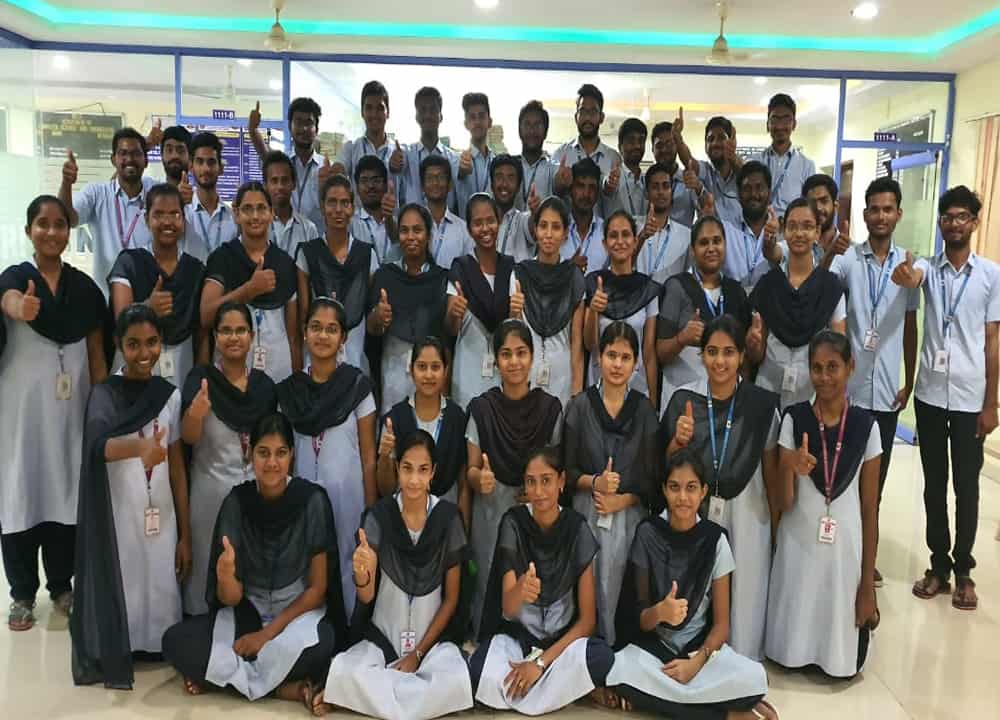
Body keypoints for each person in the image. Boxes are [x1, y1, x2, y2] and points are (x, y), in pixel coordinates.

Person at [161, 412, 347, 705]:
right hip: (249, 612)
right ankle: (283, 688)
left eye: (280, 453)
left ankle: (224, 679)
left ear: (292, 456)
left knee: (323, 645)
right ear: (249, 454)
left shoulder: (312, 500)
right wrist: (225, 576)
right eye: (263, 453)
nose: (272, 463)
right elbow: (231, 598)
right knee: (175, 641)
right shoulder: (237, 502)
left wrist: (265, 636)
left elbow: (317, 589)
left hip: (295, 614)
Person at [0, 195, 107, 631]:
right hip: (21, 418)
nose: (51, 231)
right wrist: (19, 307)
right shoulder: (15, 278)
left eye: (60, 224)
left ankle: (63, 586)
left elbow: (97, 352)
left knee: (66, 496)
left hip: (69, 414)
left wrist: (101, 407)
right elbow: (8, 299)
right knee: (21, 495)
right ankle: (22, 593)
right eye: (42, 224)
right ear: (29, 231)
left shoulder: (83, 290)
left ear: (69, 231)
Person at [604, 449, 776, 720]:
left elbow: (721, 626)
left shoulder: (715, 540)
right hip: (655, 648)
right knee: (618, 669)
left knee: (754, 677)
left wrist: (694, 664)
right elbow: (636, 619)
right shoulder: (648, 532)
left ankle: (671, 699)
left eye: (691, 488)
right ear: (664, 490)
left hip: (699, 650)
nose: (683, 497)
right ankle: (728, 714)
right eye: (674, 487)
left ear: (703, 491)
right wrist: (660, 612)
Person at [891, 185, 1000, 611]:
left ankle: (964, 571)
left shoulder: (990, 275)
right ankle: (938, 566)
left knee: (966, 487)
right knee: (934, 487)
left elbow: (993, 342)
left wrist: (991, 403)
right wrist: (907, 275)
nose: (953, 224)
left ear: (974, 222)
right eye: (947, 217)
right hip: (931, 396)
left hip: (972, 398)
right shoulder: (927, 268)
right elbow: (912, 278)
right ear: (940, 223)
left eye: (961, 217)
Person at [71, 304, 190, 688]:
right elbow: (98, 447)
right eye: (134, 344)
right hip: (121, 508)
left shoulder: (169, 395)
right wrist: (139, 449)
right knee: (128, 574)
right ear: (119, 345)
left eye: (152, 342)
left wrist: (185, 534)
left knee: (158, 576)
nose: (144, 353)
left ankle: (157, 644)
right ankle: (125, 642)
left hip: (162, 510)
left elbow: (177, 467)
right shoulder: (105, 394)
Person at [316, 431, 473, 719]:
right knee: (343, 670)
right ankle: (407, 699)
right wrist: (362, 574)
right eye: (407, 468)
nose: (414, 480)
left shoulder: (448, 518)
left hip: (430, 646)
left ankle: (376, 699)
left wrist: (419, 654)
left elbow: (451, 599)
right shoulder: (380, 516)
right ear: (397, 468)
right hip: (382, 638)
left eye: (422, 470)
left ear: (433, 472)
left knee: (456, 681)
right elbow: (366, 597)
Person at [662, 315, 781, 661]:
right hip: (696, 511)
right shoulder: (683, 399)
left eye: (729, 352)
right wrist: (677, 441)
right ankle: (696, 656)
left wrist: (776, 526)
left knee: (744, 592)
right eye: (712, 351)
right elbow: (664, 468)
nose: (720, 361)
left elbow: (771, 471)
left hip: (748, 510)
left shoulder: (761, 405)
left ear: (742, 356)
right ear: (701, 355)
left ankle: (742, 659)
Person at [766, 331, 881, 678]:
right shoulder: (794, 419)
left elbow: (869, 509)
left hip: (844, 551)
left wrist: (866, 585)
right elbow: (784, 502)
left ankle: (838, 656)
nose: (824, 376)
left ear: (850, 367)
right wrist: (790, 467)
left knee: (838, 650)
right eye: (817, 368)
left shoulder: (866, 426)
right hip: (797, 545)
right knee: (791, 643)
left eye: (833, 367)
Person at [469, 448, 614, 715]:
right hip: (520, 639)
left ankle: (529, 685)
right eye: (531, 482)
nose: (538, 491)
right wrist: (521, 589)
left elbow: (587, 621)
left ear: (561, 481)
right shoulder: (513, 522)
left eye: (546, 480)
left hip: (560, 645)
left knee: (602, 658)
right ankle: (562, 690)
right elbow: (508, 609)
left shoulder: (576, 527)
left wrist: (540, 663)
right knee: (477, 669)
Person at [832, 177, 918, 587]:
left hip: (885, 395)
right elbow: (822, 286)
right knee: (843, 478)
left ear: (898, 214)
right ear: (865, 214)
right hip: (848, 394)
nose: (881, 216)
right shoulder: (849, 259)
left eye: (888, 209)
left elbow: (911, 326)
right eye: (874, 209)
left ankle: (868, 558)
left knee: (874, 487)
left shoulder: (909, 265)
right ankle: (842, 553)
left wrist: (909, 379)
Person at [276, 297, 377, 610]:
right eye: (316, 327)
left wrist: (371, 512)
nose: (323, 335)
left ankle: (350, 626)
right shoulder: (290, 391)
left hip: (349, 496)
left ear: (343, 337)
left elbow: (368, 456)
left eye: (332, 329)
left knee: (350, 561)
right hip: (303, 496)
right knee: (307, 562)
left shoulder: (357, 386)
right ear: (304, 332)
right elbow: (285, 455)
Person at [563, 322, 660, 644]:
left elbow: (652, 478)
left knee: (623, 588)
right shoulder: (579, 406)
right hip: (586, 512)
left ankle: (621, 648)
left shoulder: (644, 410)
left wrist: (624, 499)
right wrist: (595, 482)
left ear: (636, 364)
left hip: (629, 517)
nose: (617, 364)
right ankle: (587, 648)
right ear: (599, 358)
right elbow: (567, 471)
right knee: (588, 589)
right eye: (611, 355)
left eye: (625, 357)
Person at [179, 301, 278, 615]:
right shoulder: (201, 379)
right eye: (225, 331)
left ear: (251, 336)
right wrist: (196, 414)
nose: (233, 337)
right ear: (215, 337)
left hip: (253, 493)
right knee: (205, 572)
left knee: (249, 571)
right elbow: (188, 438)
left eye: (240, 330)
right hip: (210, 491)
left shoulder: (264, 386)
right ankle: (201, 626)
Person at [466, 320, 563, 634]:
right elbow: (470, 470)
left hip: (535, 514)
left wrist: (539, 486)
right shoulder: (481, 409)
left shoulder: (550, 409)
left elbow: (556, 468)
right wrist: (479, 478)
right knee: (488, 580)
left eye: (521, 352)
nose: (514, 361)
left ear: (532, 357)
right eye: (506, 354)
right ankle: (484, 644)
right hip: (491, 508)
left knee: (529, 582)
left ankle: (528, 643)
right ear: (496, 361)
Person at [748, 198, 846, 409]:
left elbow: (839, 350)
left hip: (811, 397)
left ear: (817, 233)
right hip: (766, 393)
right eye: (792, 227)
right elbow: (756, 356)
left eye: (807, 226)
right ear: (784, 232)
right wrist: (752, 344)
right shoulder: (768, 285)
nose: (799, 233)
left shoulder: (831, 288)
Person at [200, 181, 300, 382]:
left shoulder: (285, 263)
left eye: (261, 208)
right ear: (236, 214)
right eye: (247, 209)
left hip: (278, 372)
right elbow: (206, 316)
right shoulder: (223, 258)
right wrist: (248, 291)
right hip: (231, 374)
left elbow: (293, 336)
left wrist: (297, 383)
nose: (255, 216)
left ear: (272, 213)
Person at [108, 183, 205, 384]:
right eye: (159, 214)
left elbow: (202, 332)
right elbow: (120, 319)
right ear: (146, 219)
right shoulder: (129, 262)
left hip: (183, 365)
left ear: (183, 219)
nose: (167, 222)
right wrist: (147, 309)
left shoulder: (195, 270)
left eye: (175, 214)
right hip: (136, 365)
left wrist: (201, 377)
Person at [657, 216, 751, 413]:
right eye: (703, 242)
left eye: (717, 241)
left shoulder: (736, 291)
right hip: (683, 394)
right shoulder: (676, 287)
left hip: (727, 398)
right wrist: (682, 339)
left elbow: (745, 359)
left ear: (725, 245)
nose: (711, 248)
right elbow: (660, 353)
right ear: (692, 250)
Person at [367, 203, 449, 415]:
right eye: (404, 230)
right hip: (393, 373)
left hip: (431, 371)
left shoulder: (441, 278)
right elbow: (371, 330)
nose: (410, 236)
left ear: (428, 235)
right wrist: (378, 317)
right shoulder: (385, 275)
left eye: (417, 230)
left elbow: (447, 335)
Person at [58, 127, 156, 297]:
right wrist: (66, 184)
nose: (129, 159)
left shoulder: (156, 193)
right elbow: (69, 219)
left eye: (136, 153)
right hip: (105, 300)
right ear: (113, 160)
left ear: (146, 161)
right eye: (123, 153)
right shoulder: (97, 193)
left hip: (149, 299)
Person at [296, 175, 379, 374]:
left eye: (345, 203)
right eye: (332, 202)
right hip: (317, 357)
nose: (338, 210)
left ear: (353, 208)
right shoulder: (307, 252)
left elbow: (371, 312)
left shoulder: (367, 254)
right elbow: (303, 317)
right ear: (322, 207)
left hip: (355, 356)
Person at [377, 338, 467, 514]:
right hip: (403, 516)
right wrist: (385, 457)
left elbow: (463, 484)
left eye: (435, 367)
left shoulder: (457, 418)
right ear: (411, 371)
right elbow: (385, 489)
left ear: (446, 371)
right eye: (422, 367)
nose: (428, 375)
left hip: (446, 516)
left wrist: (461, 526)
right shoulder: (394, 419)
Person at [447, 193, 519, 410]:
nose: (485, 228)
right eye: (478, 223)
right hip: (467, 373)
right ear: (469, 229)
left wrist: (516, 312)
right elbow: (450, 329)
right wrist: (454, 313)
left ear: (499, 222)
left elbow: (514, 327)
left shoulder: (510, 267)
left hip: (501, 373)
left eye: (490, 221)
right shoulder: (460, 268)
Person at [515, 197, 586, 407]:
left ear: (565, 234)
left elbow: (577, 344)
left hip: (562, 378)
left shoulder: (574, 277)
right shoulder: (520, 274)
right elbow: (514, 336)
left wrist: (576, 395)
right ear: (535, 230)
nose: (548, 234)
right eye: (543, 226)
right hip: (525, 375)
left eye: (556, 227)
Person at [584, 212, 661, 397]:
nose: (620, 241)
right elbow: (589, 344)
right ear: (605, 244)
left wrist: (652, 402)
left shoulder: (647, 289)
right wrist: (594, 310)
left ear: (635, 242)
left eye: (625, 235)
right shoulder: (594, 283)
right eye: (613, 235)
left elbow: (649, 353)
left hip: (637, 387)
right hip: (599, 386)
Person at [249, 96, 327, 234]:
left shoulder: (325, 168)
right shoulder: (283, 164)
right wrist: (252, 130)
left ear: (317, 129)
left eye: (309, 123)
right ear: (290, 127)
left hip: (317, 239)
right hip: (284, 237)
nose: (304, 128)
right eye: (298, 122)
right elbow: (265, 154)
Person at [552, 84, 622, 217]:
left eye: (593, 112)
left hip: (603, 229)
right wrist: (560, 185)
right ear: (576, 117)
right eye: (583, 112)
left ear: (601, 117)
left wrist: (608, 188)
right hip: (568, 229)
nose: (588, 118)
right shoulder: (561, 155)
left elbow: (617, 202)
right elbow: (554, 196)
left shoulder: (614, 159)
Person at [750, 94, 816, 217]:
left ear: (794, 124)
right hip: (760, 226)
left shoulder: (807, 166)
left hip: (792, 227)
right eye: (775, 120)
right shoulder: (755, 162)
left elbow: (809, 207)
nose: (780, 126)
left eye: (786, 120)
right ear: (767, 124)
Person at [719, 161, 781, 291]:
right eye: (747, 189)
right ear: (738, 195)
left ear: (769, 193)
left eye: (759, 187)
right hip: (734, 301)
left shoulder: (781, 231)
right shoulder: (725, 230)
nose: (754, 194)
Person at [673, 114, 743, 227]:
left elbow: (748, 174)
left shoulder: (741, 172)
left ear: (731, 142)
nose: (715, 143)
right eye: (710, 139)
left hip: (740, 237)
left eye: (721, 138)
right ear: (705, 146)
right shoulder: (706, 171)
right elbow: (689, 161)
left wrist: (733, 158)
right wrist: (677, 138)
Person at [335, 81, 396, 201]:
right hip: (359, 213)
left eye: (380, 108)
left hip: (391, 213)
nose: (374, 114)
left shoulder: (399, 153)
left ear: (388, 112)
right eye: (369, 108)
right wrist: (334, 173)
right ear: (362, 112)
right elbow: (339, 170)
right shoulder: (351, 149)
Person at [636, 162, 693, 285]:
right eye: (655, 187)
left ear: (671, 192)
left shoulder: (686, 235)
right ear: (646, 192)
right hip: (636, 294)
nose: (661, 192)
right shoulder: (633, 227)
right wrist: (641, 238)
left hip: (671, 296)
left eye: (666, 186)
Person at [401, 87, 458, 210]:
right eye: (423, 110)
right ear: (416, 116)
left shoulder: (454, 159)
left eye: (433, 110)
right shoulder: (406, 155)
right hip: (413, 221)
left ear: (441, 116)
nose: (428, 115)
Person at [184, 132, 238, 260]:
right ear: (191, 166)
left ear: (221, 168)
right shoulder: (184, 213)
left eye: (211, 162)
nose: (206, 169)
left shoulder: (233, 217)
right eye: (200, 162)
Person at [263, 150, 320, 257]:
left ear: (293, 184)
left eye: (285, 180)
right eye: (274, 181)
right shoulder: (257, 225)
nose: (280, 186)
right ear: (265, 186)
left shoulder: (308, 229)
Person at [420, 155, 473, 270]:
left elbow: (469, 269)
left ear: (450, 185)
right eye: (430, 178)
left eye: (441, 177)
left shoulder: (463, 229)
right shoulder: (415, 225)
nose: (435, 183)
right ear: (422, 186)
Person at [650, 120, 698, 227]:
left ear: (676, 146)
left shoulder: (689, 182)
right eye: (659, 145)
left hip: (684, 237)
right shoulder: (646, 182)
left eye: (669, 144)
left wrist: (698, 187)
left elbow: (704, 209)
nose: (664, 149)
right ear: (652, 149)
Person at [350, 154, 398, 264]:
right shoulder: (351, 224)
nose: (371, 186)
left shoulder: (399, 224)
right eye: (364, 181)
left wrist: (389, 217)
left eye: (376, 180)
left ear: (385, 185)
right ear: (357, 187)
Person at [562, 159, 607, 274]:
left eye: (592, 187)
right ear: (570, 190)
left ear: (598, 193)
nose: (586, 194)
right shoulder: (558, 229)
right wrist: (567, 269)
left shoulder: (607, 231)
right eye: (580, 186)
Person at [456, 92, 495, 219]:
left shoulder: (496, 162)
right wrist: (460, 173)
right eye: (472, 117)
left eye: (481, 116)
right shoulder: (457, 161)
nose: (477, 122)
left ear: (489, 122)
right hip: (465, 229)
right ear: (466, 124)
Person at [492, 154, 536, 262]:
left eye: (510, 178)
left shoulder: (523, 220)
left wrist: (535, 213)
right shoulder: (483, 221)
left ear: (518, 187)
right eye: (499, 177)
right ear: (491, 184)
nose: (504, 184)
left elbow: (532, 227)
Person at [514, 100, 556, 211]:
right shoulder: (509, 166)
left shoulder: (553, 169)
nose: (532, 130)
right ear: (519, 130)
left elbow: (560, 188)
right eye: (527, 124)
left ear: (546, 132)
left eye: (537, 125)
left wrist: (562, 184)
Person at [604, 118, 648, 219]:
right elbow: (607, 187)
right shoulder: (614, 177)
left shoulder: (647, 181)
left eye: (641, 141)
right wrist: (609, 184)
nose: (637, 146)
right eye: (631, 141)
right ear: (620, 147)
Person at [159, 125, 193, 207]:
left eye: (180, 150)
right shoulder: (151, 195)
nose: (174, 156)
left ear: (190, 157)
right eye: (169, 150)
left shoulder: (200, 199)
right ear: (161, 156)